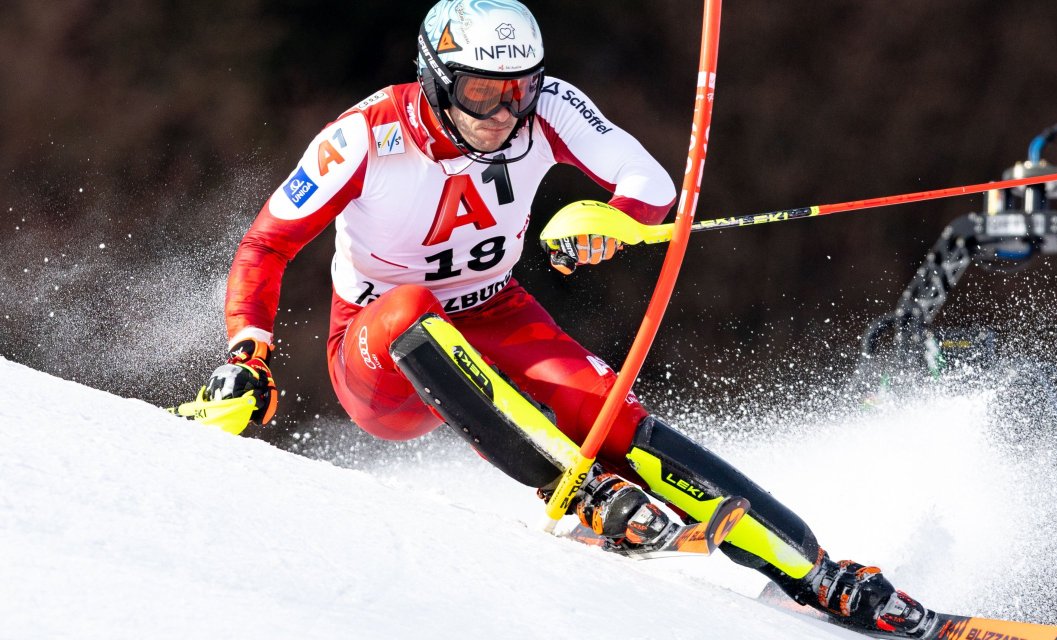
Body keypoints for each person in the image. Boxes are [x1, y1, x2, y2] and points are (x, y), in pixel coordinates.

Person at [202, 0, 928, 634]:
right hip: (379, 358)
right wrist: (247, 356)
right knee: (408, 309)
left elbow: (650, 184)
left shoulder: (547, 110)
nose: (502, 116)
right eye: (482, 94)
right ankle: (580, 493)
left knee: (610, 417)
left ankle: (818, 575)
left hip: (495, 311)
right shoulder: (365, 137)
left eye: (518, 92)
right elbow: (268, 245)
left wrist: (608, 220)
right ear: (435, 78)